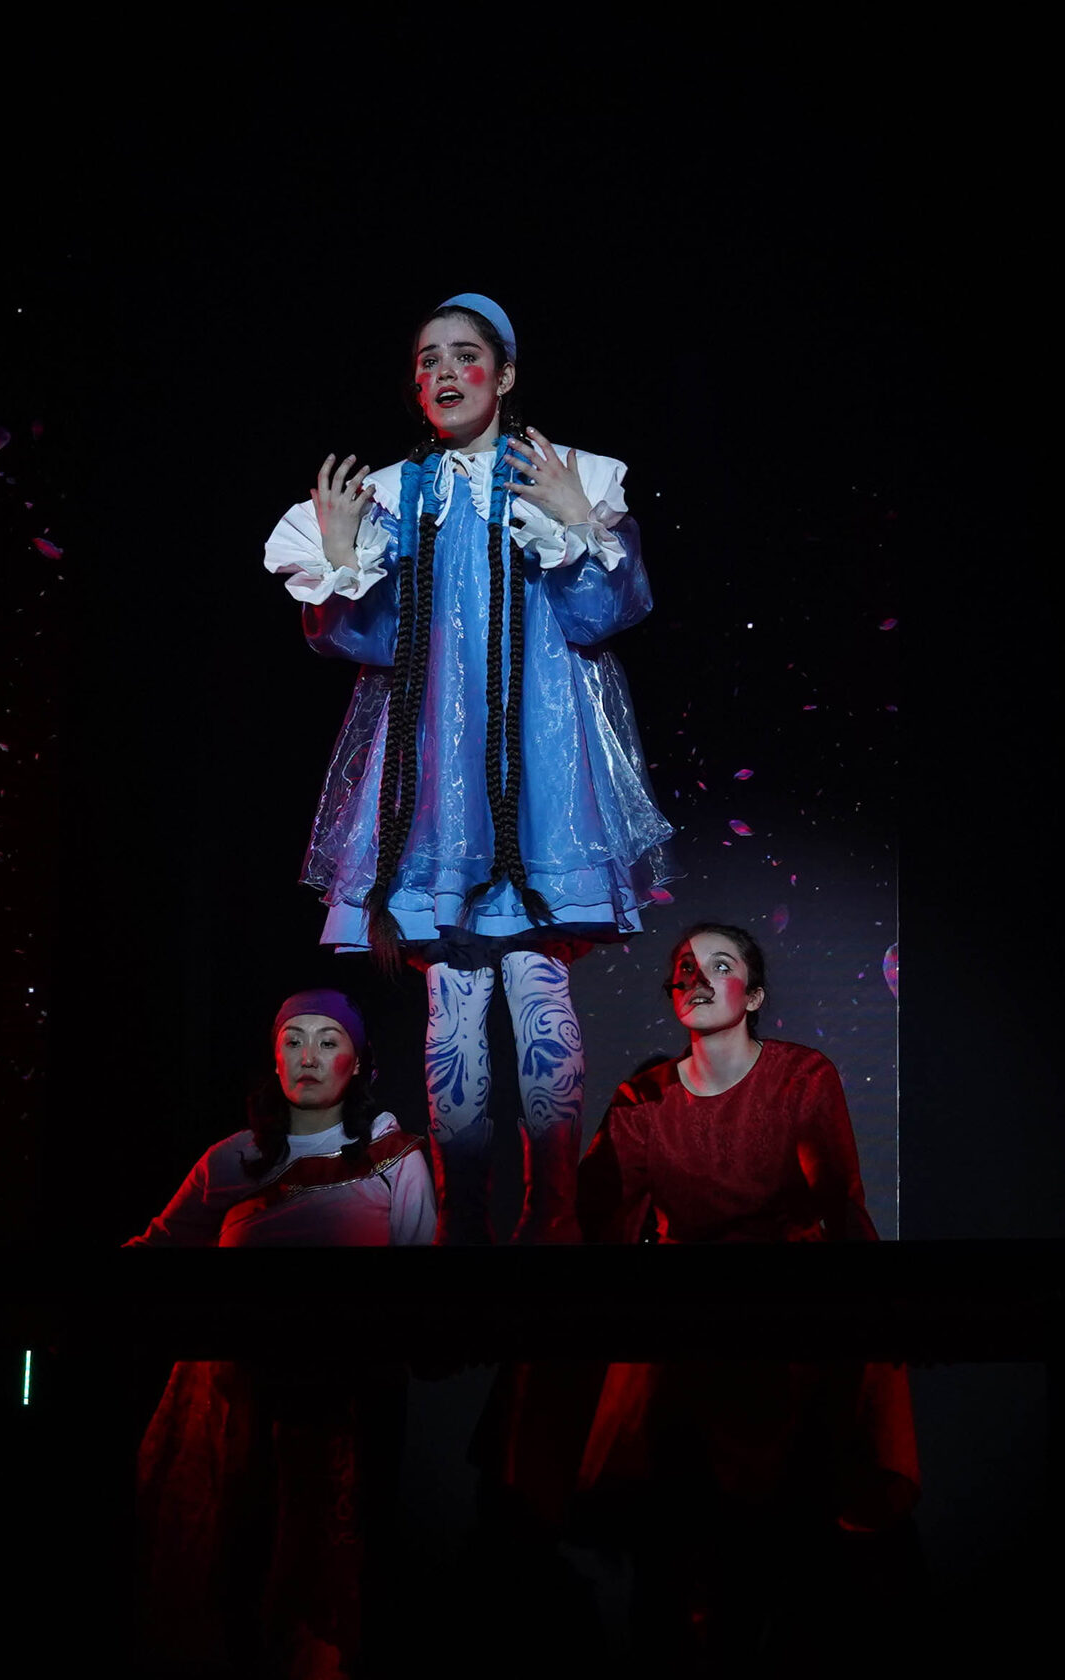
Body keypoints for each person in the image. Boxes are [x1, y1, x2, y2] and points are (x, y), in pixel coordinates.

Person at [263, 294, 675, 1245]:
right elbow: (369, 643)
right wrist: (340, 559)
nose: (444, 372)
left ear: (506, 373)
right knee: (453, 992)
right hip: (433, 769)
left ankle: (552, 1217)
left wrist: (580, 527)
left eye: (464, 355)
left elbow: (603, 618)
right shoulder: (395, 496)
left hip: (539, 765)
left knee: (535, 979)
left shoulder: (564, 473)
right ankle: (459, 1223)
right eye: (427, 360)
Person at [571, 923, 921, 1664]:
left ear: (754, 995)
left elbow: (835, 1198)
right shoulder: (646, 1096)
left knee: (782, 1546)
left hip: (782, 1333)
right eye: (684, 966)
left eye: (719, 965)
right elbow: (597, 1215)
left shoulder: (800, 1077)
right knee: (677, 1545)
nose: (695, 977)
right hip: (684, 1339)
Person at [127, 990, 432, 1677]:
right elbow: (155, 1251)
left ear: (359, 1061)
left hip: (351, 1401)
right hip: (239, 1399)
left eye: (328, 1040)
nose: (309, 1057)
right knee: (238, 1564)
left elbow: (423, 1283)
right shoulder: (233, 1160)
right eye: (294, 1040)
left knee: (340, 1578)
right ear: (274, 1058)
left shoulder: (394, 1156)